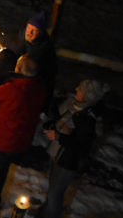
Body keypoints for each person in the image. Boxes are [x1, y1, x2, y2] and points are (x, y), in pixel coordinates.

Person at [0, 54, 48, 218]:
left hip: (4, 142)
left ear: (20, 69)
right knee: (1, 172)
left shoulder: (14, 89)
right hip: (20, 142)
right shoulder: (38, 87)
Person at [39, 79, 108, 218]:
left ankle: (51, 215)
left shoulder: (88, 118)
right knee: (52, 189)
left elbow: (80, 146)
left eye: (80, 89)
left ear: (88, 95)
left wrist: (59, 137)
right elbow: (60, 120)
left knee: (55, 194)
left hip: (69, 161)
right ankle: (45, 212)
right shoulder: (76, 107)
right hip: (59, 152)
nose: (76, 89)